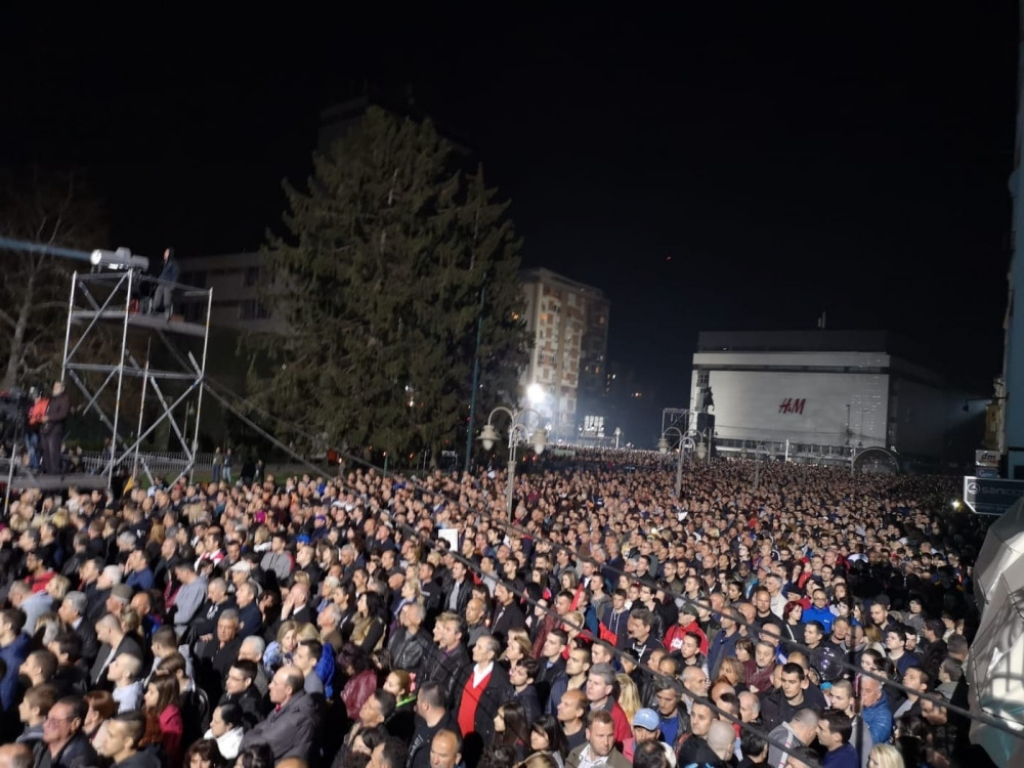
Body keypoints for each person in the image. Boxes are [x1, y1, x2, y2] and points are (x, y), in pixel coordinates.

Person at [39, 381, 69, 476]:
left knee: (53, 452)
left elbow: (62, 414)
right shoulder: (52, 399)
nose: (54, 389)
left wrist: (49, 418)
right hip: (46, 429)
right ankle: (48, 472)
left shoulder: (64, 399)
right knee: (46, 452)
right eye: (54, 387)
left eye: (57, 387)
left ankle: (55, 474)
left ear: (62, 388)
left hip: (55, 430)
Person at [151, 247, 179, 317]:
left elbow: (175, 274)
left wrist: (173, 285)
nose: (165, 254)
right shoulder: (163, 263)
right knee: (157, 296)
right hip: (161, 283)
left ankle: (167, 312)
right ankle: (154, 310)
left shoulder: (173, 263)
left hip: (168, 283)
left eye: (166, 252)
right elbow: (159, 272)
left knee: (167, 298)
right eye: (165, 252)